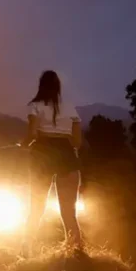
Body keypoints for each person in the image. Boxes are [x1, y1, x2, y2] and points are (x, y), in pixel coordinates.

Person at [21, 70, 83, 257]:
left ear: (41, 85)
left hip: (43, 152)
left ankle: (27, 252)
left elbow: (32, 134)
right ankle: (77, 254)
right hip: (66, 153)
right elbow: (77, 142)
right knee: (68, 212)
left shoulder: (35, 106)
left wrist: (22, 145)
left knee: (36, 207)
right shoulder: (70, 108)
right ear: (58, 87)